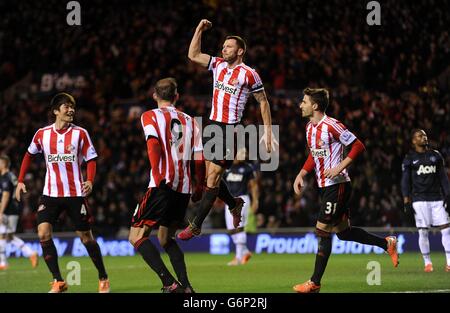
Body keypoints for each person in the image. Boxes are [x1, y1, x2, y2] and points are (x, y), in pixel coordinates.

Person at [292, 88, 399, 293]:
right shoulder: (308, 128)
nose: (300, 105)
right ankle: (387, 244)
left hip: (338, 185)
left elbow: (358, 146)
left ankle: (314, 282)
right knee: (343, 233)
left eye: (304, 101)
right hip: (324, 186)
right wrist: (301, 174)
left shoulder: (332, 125)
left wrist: (340, 167)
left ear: (315, 105)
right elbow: (315, 155)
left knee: (322, 230)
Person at [178, 19, 275, 240]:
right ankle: (234, 203)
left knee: (212, 179)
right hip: (212, 125)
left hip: (230, 130)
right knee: (206, 175)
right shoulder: (218, 64)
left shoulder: (249, 73)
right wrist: (199, 29)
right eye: (223, 46)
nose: (223, 49)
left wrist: (268, 131)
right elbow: (193, 55)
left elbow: (263, 101)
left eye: (228, 46)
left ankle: (196, 225)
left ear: (240, 51)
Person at [15, 92, 110, 293]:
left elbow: (91, 158)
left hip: (75, 193)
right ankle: (58, 281)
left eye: (72, 106)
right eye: (66, 106)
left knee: (86, 237)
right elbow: (28, 155)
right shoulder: (42, 134)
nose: (71, 110)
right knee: (43, 233)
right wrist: (20, 180)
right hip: (50, 194)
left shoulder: (80, 133)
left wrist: (90, 181)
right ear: (56, 111)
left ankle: (103, 277)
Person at [128, 78, 205, 293]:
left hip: (162, 185)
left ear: (155, 95)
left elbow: (152, 144)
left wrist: (158, 173)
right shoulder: (191, 121)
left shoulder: (149, 116)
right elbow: (199, 158)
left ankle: (169, 283)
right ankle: (187, 287)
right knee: (165, 237)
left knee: (136, 236)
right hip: (184, 188)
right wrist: (199, 187)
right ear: (176, 96)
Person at [401, 129, 450, 272]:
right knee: (423, 232)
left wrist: (448, 194)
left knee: (447, 229)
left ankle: (449, 263)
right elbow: (405, 181)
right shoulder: (409, 158)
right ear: (414, 141)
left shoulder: (436, 156)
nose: (424, 137)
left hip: (437, 198)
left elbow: (443, 177)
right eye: (420, 136)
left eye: (425, 135)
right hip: (419, 199)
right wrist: (406, 200)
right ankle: (427, 263)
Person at [0, 155, 38, 270]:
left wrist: (1, 212)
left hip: (7, 210)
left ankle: (2, 262)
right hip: (13, 209)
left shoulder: (6, 177)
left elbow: (6, 195)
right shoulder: (11, 176)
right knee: (9, 236)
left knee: (2, 235)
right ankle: (30, 253)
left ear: (3, 164)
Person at [223, 148, 259, 266]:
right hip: (229, 200)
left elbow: (254, 186)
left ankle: (238, 257)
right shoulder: (226, 167)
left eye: (245, 153)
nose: (245, 155)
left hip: (242, 199)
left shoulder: (248, 168)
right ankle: (245, 251)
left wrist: (256, 201)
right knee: (231, 228)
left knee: (239, 226)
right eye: (242, 152)